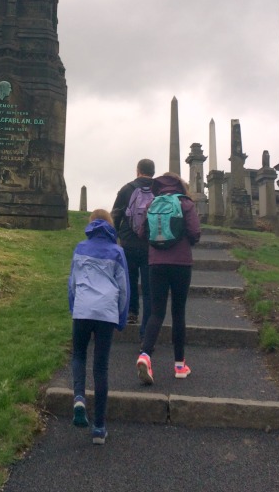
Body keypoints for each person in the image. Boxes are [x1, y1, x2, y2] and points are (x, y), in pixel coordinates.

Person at [68, 208, 129, 445]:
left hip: (83, 309)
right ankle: (99, 428)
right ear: (110, 225)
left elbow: (72, 283)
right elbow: (124, 289)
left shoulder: (80, 248)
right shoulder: (117, 251)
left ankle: (79, 397)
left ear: (90, 225)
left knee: (79, 355)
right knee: (101, 367)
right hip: (106, 312)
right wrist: (122, 317)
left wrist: (74, 307)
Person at [136, 172, 201, 384]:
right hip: (181, 263)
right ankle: (180, 365)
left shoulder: (152, 204)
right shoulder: (186, 204)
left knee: (156, 312)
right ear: (180, 185)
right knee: (178, 311)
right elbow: (195, 232)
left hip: (156, 263)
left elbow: (142, 232)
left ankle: (145, 355)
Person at [111, 159, 155, 338]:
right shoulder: (158, 189)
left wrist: (115, 237)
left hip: (129, 241)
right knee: (148, 283)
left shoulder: (126, 189)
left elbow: (116, 214)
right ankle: (149, 321)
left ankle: (131, 312)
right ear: (153, 172)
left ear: (138, 171)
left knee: (129, 279)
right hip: (151, 243)